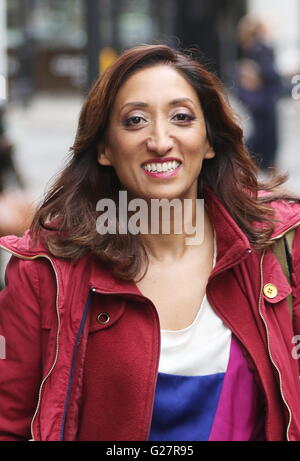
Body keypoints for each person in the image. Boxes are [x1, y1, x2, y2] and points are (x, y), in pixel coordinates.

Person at [0, 44, 300, 442]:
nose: (161, 140)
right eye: (136, 120)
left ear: (209, 140)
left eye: (181, 117)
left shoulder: (279, 247)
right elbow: (10, 426)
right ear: (105, 148)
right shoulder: (43, 275)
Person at [236, 16, 283, 173]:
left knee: (262, 131)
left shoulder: (250, 49)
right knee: (266, 133)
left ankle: (253, 161)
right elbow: (269, 73)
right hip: (264, 97)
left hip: (259, 97)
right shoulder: (261, 48)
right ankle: (252, 161)